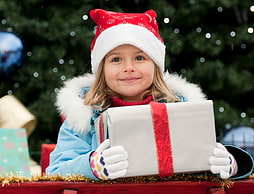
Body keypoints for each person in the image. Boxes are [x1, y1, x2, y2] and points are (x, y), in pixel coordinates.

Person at [45, 8, 253, 180]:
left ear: (156, 66)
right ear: (101, 69)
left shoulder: (181, 109)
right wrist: (91, 165)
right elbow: (55, 170)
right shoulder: (83, 116)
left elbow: (204, 156)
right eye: (116, 59)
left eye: (140, 58)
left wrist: (231, 162)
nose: (128, 67)